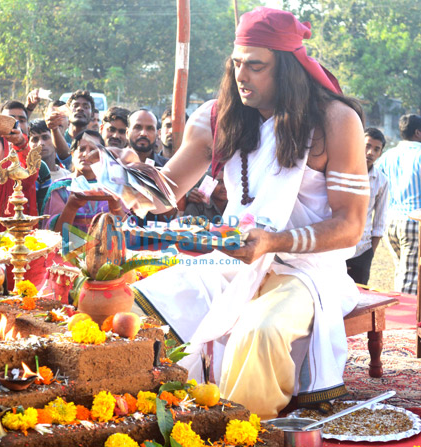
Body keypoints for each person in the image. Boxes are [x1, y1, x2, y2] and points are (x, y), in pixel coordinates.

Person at [132, 7, 367, 419]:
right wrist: (117, 181)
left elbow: (350, 226)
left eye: (256, 66)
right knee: (142, 306)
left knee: (258, 331)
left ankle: (239, 429)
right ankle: (170, 416)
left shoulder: (335, 120)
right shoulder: (216, 116)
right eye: (237, 64)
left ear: (289, 69)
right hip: (233, 260)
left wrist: (274, 242)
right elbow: (163, 194)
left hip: (306, 271)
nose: (242, 76)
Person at [42, 130, 123, 231]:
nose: (86, 154)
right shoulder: (60, 188)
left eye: (93, 150)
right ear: (72, 154)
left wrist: (115, 203)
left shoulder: (113, 188)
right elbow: (53, 234)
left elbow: (129, 233)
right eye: (81, 149)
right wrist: (71, 207)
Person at [377, 114, 421, 295]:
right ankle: (405, 312)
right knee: (410, 279)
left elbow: (375, 182)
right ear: (418, 132)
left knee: (401, 271)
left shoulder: (388, 156)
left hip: (391, 221)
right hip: (414, 222)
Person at [346, 128, 388, 285]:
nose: (370, 152)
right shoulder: (343, 171)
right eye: (367, 146)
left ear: (381, 153)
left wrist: (370, 254)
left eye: (376, 149)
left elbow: (379, 222)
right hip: (336, 248)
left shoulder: (381, 181)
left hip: (362, 250)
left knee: (360, 294)